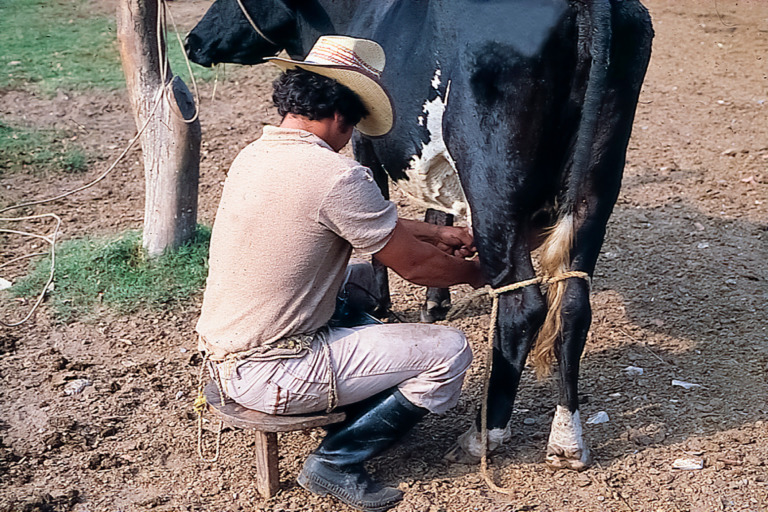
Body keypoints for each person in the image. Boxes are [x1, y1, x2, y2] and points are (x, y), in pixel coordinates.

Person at [196, 36, 485, 512]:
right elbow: (415, 268)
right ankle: (337, 460)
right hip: (275, 372)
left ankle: (360, 389)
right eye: (352, 127)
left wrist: (436, 233)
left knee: (362, 283)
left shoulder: (255, 154)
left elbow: (357, 219)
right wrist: (477, 272)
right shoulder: (335, 174)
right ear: (338, 117)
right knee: (449, 350)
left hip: (227, 353)